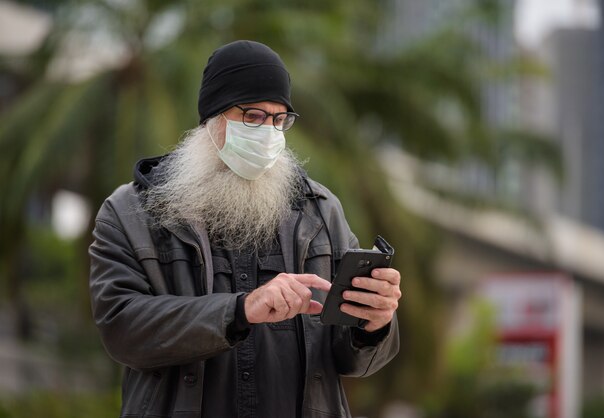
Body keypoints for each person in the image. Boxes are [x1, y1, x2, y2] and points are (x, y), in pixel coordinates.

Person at [89, 40, 401, 418]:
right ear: (212, 119)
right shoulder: (129, 213)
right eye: (252, 116)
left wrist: (374, 324)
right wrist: (239, 310)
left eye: (278, 119)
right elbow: (123, 328)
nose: (268, 132)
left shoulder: (321, 213)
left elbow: (352, 360)